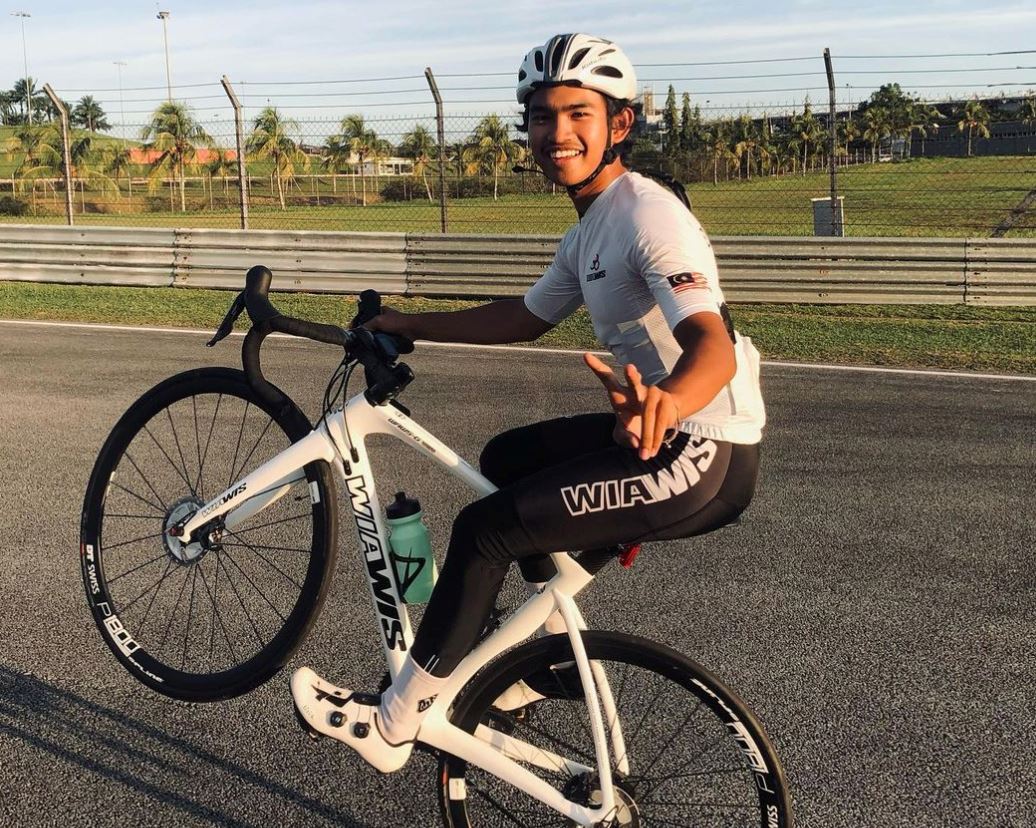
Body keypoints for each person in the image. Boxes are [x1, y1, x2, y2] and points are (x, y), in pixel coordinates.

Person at [291, 32, 766, 773]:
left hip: (701, 449)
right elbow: (524, 316)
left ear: (621, 123)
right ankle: (548, 662)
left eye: (578, 113)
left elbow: (712, 344)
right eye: (542, 116)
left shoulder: (647, 215)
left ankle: (393, 723)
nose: (557, 133)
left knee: (484, 534)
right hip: (664, 433)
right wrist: (409, 324)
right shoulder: (592, 228)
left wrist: (668, 403)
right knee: (507, 460)